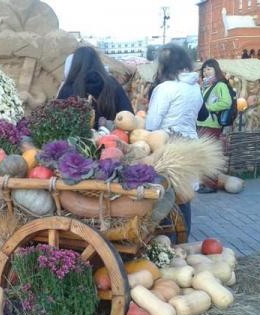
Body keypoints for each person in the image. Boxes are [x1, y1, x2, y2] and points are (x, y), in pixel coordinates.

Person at [146, 44, 203, 238]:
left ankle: (167, 243)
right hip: (191, 144)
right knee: (184, 197)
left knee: (166, 196)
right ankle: (183, 239)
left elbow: (152, 123)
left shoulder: (165, 88)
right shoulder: (195, 87)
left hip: (168, 146)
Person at [57, 46, 133, 121]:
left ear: (75, 64)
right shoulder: (112, 83)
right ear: (98, 62)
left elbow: (57, 119)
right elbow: (128, 115)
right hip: (113, 132)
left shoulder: (68, 87)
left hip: (78, 133)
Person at [196, 59, 233, 193]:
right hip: (202, 123)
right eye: (204, 69)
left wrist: (209, 107)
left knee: (209, 155)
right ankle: (204, 182)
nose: (206, 72)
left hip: (212, 124)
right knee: (203, 154)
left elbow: (226, 102)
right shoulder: (205, 86)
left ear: (215, 70)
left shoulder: (220, 85)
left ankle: (211, 184)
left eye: (209, 69)